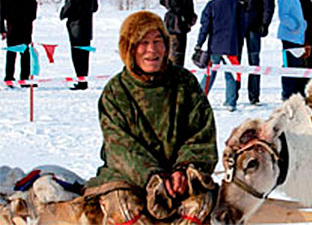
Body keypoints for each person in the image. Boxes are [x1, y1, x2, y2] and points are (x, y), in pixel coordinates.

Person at [82, 11, 218, 224]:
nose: (152, 50)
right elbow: (119, 146)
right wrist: (152, 177)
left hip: (178, 180)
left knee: (199, 207)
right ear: (130, 48)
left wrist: (183, 169)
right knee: (124, 208)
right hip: (129, 179)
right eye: (143, 43)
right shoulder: (116, 92)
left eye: (157, 41)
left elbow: (202, 133)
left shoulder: (185, 84)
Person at [195, 0, 245, 112]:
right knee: (230, 74)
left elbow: (204, 27)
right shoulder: (236, 5)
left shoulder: (211, 5)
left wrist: (199, 43)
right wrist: (239, 43)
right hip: (231, 47)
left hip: (215, 47)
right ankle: (230, 102)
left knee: (209, 73)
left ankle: (199, 98)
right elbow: (242, 27)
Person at [228, 0, 275, 106]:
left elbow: (268, 2)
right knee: (235, 61)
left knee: (254, 61)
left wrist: (265, 23)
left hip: (255, 26)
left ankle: (254, 96)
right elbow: (227, 1)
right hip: (237, 26)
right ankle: (233, 95)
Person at [60, 0, 98, 90]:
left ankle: (80, 80)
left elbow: (67, 9)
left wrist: (62, 14)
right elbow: (95, 7)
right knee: (85, 56)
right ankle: (84, 80)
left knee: (77, 55)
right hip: (87, 27)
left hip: (75, 28)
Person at [0, 0, 37, 88]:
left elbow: (33, 6)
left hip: (26, 26)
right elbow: (1, 12)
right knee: (12, 52)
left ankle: (24, 78)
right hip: (12, 26)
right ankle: (9, 78)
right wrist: (2, 29)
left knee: (25, 53)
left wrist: (31, 18)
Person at [277, 0, 307, 100]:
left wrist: (302, 24)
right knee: (289, 65)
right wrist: (295, 25)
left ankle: (297, 92)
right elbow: (283, 16)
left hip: (298, 36)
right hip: (289, 35)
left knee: (297, 64)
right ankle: (287, 93)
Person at [161, 0, 197, 67]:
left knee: (180, 57)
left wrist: (191, 16)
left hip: (183, 25)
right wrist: (184, 16)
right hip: (174, 25)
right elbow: (173, 4)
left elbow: (188, 1)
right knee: (174, 57)